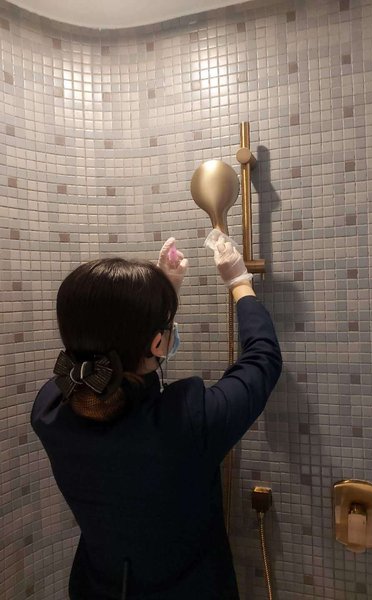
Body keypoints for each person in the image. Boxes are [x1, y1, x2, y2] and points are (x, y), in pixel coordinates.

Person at [30, 232, 282, 600]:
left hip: (97, 589)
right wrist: (239, 283)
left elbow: (121, 381)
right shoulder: (190, 421)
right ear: (156, 343)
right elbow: (262, 361)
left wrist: (161, 301)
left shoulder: (50, 408)